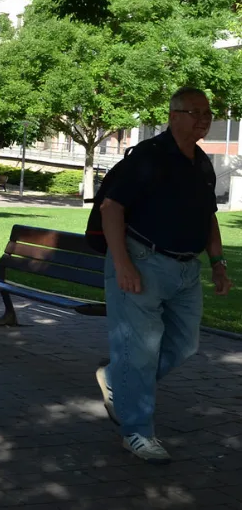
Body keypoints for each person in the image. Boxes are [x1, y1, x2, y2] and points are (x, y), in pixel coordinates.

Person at [94, 87, 232, 464]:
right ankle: (136, 432)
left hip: (187, 269)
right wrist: (123, 264)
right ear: (173, 116)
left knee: (185, 344)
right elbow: (110, 208)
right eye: (195, 112)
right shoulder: (148, 158)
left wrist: (218, 264)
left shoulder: (201, 163)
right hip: (141, 260)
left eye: (208, 113)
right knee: (140, 354)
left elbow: (209, 219)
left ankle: (117, 381)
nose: (204, 119)